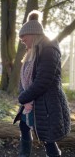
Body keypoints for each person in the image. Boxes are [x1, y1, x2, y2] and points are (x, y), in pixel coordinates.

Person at [13, 10, 71, 157]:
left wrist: (23, 98)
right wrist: (24, 99)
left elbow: (43, 81)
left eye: (23, 37)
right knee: (24, 127)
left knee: (47, 139)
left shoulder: (49, 50)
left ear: (32, 34)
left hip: (47, 104)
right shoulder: (31, 52)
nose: (22, 41)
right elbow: (23, 80)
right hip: (31, 103)